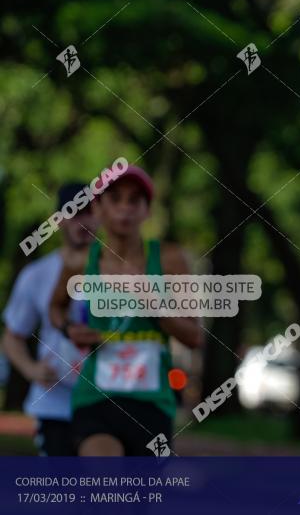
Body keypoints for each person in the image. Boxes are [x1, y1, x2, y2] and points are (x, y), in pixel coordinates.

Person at [49, 165, 203, 456]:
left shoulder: (170, 261)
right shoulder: (80, 262)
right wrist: (69, 329)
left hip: (152, 403)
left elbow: (194, 337)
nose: (124, 209)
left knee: (133, 499)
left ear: (147, 211)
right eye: (115, 199)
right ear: (98, 207)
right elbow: (56, 307)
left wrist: (154, 305)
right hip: (95, 398)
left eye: (134, 201)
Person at [2, 182, 99, 455]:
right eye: (75, 213)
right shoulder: (37, 274)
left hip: (106, 400)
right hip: (55, 404)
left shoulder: (118, 272)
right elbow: (12, 336)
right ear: (59, 220)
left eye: (90, 212)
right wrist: (32, 369)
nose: (84, 221)